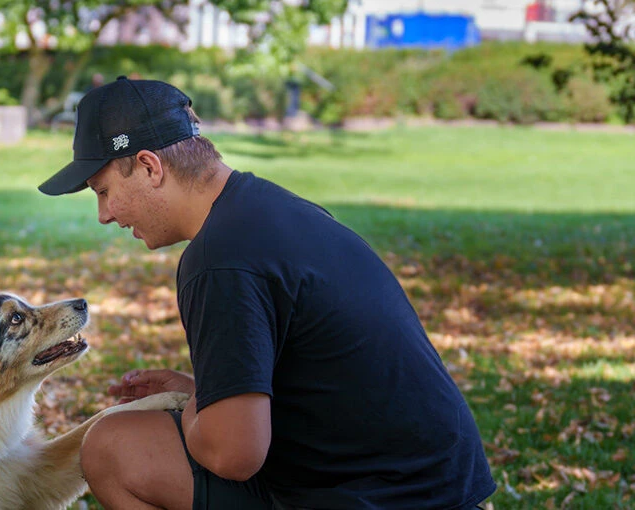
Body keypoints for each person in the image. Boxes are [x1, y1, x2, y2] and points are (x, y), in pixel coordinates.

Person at [37, 76, 496, 510]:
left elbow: (232, 454)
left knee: (110, 447)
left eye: (103, 191)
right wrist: (210, 391)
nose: (104, 214)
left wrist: (202, 407)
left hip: (376, 498)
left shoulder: (219, 260)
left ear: (149, 166)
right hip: (427, 487)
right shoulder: (267, 210)